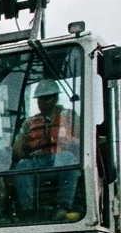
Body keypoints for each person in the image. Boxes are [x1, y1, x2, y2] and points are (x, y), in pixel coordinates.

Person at [11, 78, 81, 218]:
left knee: (69, 158)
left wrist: (71, 142)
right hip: (38, 162)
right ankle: (27, 210)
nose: (41, 102)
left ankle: (63, 205)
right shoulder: (29, 122)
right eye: (39, 99)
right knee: (22, 165)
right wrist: (22, 147)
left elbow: (81, 142)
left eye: (46, 98)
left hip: (60, 161)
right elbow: (17, 149)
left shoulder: (70, 117)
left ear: (55, 98)